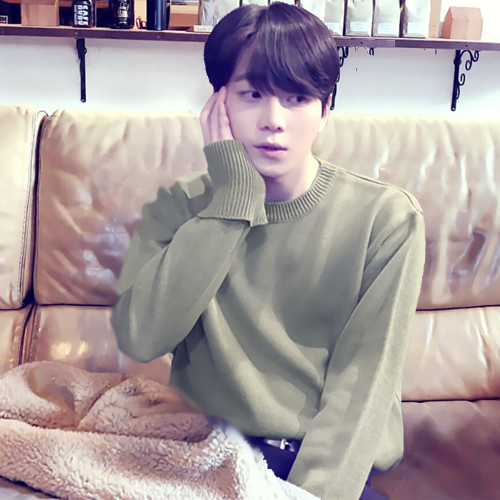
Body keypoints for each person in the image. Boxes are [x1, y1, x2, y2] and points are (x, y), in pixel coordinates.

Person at [110, 3, 426, 499]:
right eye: (252, 94)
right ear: (219, 103)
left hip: (316, 465)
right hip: (204, 454)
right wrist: (233, 200)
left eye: (297, 98)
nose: (273, 121)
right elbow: (142, 337)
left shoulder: (386, 218)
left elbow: (363, 383)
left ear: (325, 109)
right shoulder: (182, 206)